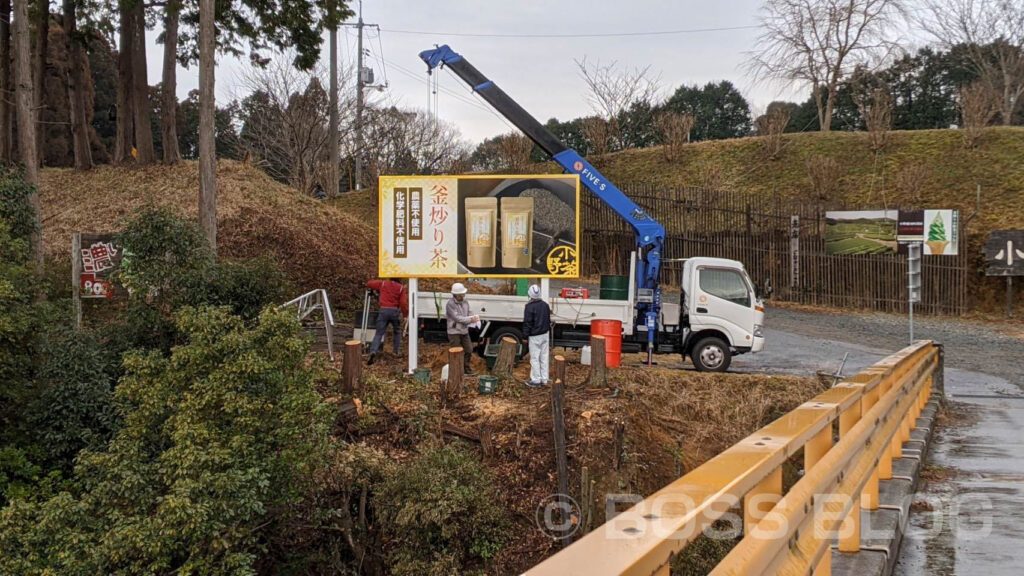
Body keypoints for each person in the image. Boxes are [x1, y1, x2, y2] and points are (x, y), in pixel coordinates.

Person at [366, 277, 407, 365]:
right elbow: (403, 303)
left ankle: (373, 351)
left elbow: (369, 283)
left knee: (379, 333)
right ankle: (395, 351)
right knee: (397, 331)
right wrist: (405, 315)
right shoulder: (401, 287)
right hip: (394, 311)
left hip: (383, 310)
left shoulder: (383, 283)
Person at [446, 282, 479, 376]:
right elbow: (457, 318)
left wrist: (474, 317)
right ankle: (456, 371)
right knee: (456, 352)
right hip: (454, 331)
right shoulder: (450, 304)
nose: (463, 295)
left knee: (469, 349)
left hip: (464, 330)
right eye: (461, 294)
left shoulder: (465, 301)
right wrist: (470, 320)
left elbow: (469, 312)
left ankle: (466, 369)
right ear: (456, 295)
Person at [522, 284, 551, 388]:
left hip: (535, 336)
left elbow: (527, 323)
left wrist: (525, 337)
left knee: (534, 358)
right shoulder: (545, 305)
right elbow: (548, 319)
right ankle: (544, 378)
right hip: (545, 334)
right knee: (544, 356)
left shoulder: (529, 307)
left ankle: (536, 380)